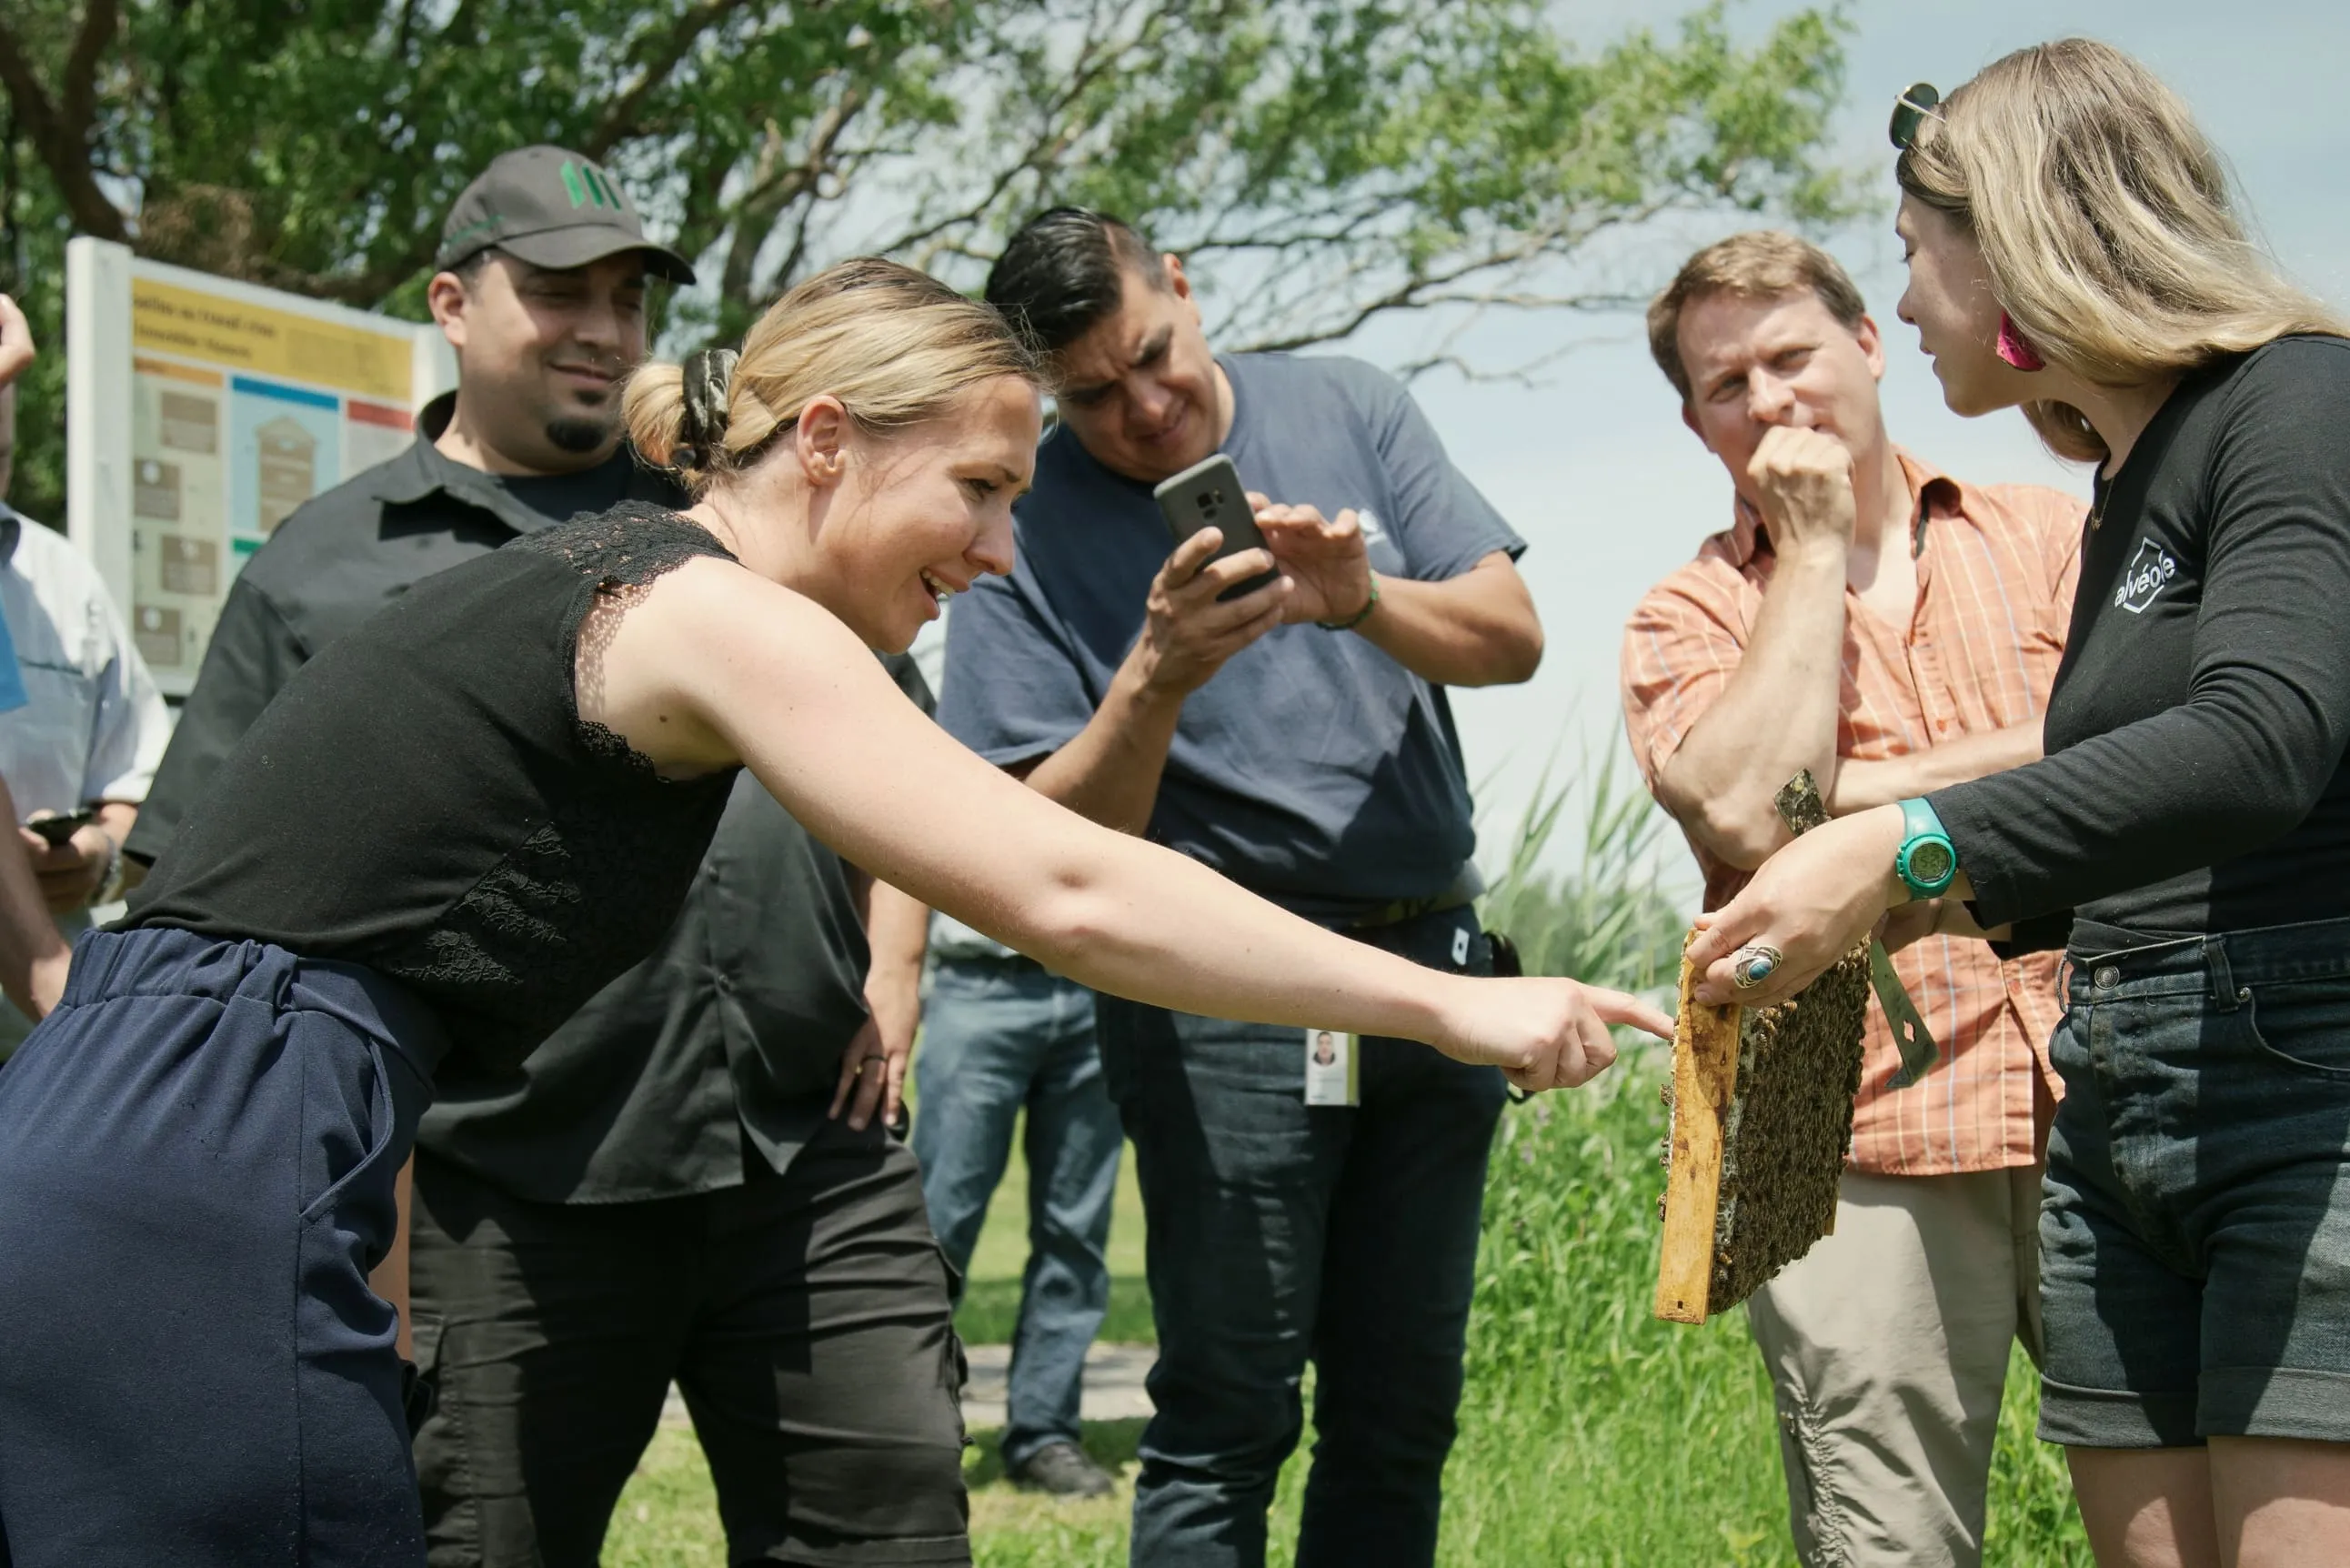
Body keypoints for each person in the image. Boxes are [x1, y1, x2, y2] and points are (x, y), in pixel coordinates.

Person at [0, 256, 1662, 1567]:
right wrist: (1451, 1002)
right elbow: (1062, 881)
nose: (1006, 551)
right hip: (212, 1140)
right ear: (822, 442)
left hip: (181, 1109)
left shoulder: (641, 591)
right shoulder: (692, 602)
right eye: (983, 488)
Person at [119, 152, 968, 1564]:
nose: (601, 326)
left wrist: (896, 958)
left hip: (806, 1148)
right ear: (453, 304)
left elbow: (911, 772)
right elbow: (197, 887)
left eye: (629, 298)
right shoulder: (324, 567)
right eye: (558, 290)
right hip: (505, 1183)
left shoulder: (737, 520)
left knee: (892, 1539)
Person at [1687, 40, 2350, 1568]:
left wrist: (1905, 841)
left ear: (2019, 243)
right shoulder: (2127, 481)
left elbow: (2259, 738)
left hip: (2293, 1079)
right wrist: (1902, 883)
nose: (1905, 303)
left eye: (1913, 258)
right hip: (2117, 1085)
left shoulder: (2293, 403)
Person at [951, 207, 1548, 1567]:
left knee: (1401, 1414)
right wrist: (1154, 675)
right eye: (1091, 395)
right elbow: (1038, 843)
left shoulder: (1348, 404)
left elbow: (1509, 639)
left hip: (1430, 982)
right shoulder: (1022, 522)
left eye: (1153, 355)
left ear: (1184, 286)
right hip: (1226, 1004)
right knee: (1227, 1413)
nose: (1143, 407)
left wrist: (1359, 601)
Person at [1621, 230, 2083, 1568]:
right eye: (1726, 385)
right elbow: (1755, 816)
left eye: (1790, 356)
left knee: (2186, 1498)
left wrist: (1867, 793)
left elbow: (2156, 742)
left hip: (2104, 1070)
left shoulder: (2053, 531)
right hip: (1843, 1120)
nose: (1767, 400)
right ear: (1696, 423)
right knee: (1886, 1540)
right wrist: (1811, 549)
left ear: (1869, 346)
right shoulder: (1687, 611)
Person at [0, 294, 171, 1053]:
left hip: (38, 1071)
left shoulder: (60, 579)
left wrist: (96, 860)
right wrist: (61, 1003)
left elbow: (144, 790)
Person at [913, 905, 1125, 1499]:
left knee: (1075, 1235)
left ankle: (1044, 1435)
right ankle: (915, 1431)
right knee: (937, 1231)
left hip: (1096, 986)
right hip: (978, 984)